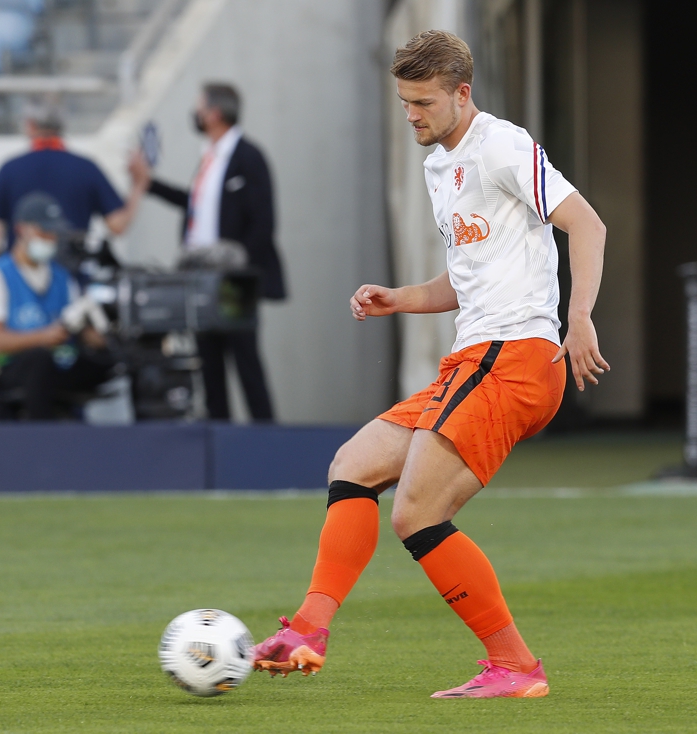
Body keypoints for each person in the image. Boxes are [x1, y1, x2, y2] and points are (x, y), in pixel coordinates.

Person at [251, 31, 610, 699]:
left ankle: (516, 668)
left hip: (517, 359)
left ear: (462, 94)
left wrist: (580, 316)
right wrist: (401, 299)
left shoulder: (502, 145)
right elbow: (466, 278)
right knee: (352, 467)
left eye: (422, 102)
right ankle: (308, 630)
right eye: (404, 102)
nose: (410, 115)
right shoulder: (438, 163)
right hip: (473, 357)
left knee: (416, 513)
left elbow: (587, 224)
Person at [139, 82, 286, 422]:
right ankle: (219, 437)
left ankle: (267, 439)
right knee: (208, 360)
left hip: (231, 278)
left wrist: (239, 267)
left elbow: (264, 222)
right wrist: (149, 183)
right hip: (199, 275)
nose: (196, 115)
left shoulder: (248, 157)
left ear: (214, 113)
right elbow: (196, 206)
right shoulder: (209, 158)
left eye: (199, 108)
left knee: (245, 357)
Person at [0, 192, 114, 420]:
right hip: (14, 366)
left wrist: (102, 339)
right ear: (21, 230)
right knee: (40, 360)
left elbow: (78, 326)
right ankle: (41, 431)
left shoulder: (62, 278)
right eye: (43, 232)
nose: (50, 239)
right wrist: (44, 337)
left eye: (53, 233)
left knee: (111, 361)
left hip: (59, 362)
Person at [0, 101, 150, 257]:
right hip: (73, 277)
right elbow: (118, 225)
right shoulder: (85, 167)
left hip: (21, 281)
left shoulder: (10, 169)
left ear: (29, 126)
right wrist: (139, 184)